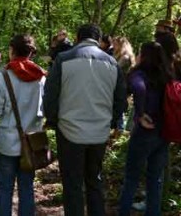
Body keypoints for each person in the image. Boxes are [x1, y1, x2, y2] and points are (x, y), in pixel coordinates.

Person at [44, 24, 127, 216]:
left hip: (68, 130)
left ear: (77, 37)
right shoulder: (112, 63)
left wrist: (54, 120)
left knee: (72, 184)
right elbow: (121, 100)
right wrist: (111, 122)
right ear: (98, 40)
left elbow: (50, 96)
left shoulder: (63, 59)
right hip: (99, 132)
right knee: (94, 181)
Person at [0, 34, 46, 216]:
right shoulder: (42, 78)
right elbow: (47, 109)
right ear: (30, 53)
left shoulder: (2, 77)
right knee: (27, 188)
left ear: (12, 51)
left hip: (7, 142)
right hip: (32, 143)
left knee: (5, 188)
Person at [118, 42, 173, 216]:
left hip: (145, 131)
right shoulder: (167, 74)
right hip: (164, 131)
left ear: (144, 55)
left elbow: (139, 88)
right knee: (154, 178)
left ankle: (124, 212)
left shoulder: (139, 74)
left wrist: (141, 114)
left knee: (131, 178)